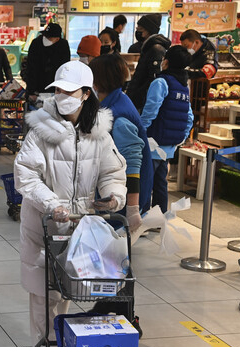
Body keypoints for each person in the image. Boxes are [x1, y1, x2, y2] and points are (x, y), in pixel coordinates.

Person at [15, 60, 127, 347]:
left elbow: (112, 172)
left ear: (85, 94)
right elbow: (25, 176)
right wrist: (52, 204)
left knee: (63, 297)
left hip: (79, 231)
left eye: (69, 91)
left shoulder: (99, 133)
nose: (62, 96)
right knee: (42, 299)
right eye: (58, 90)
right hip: (42, 228)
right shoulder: (41, 130)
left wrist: (113, 197)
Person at [90, 53, 154, 229]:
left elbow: (133, 162)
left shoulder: (119, 115)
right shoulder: (114, 102)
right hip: (114, 193)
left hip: (122, 197)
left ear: (98, 80)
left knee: (113, 248)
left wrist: (132, 209)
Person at [140, 46, 193, 213]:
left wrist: (140, 131)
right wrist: (180, 138)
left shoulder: (161, 82)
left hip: (153, 142)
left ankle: (142, 217)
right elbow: (189, 117)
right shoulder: (184, 86)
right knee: (161, 183)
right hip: (169, 145)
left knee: (146, 182)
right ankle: (159, 218)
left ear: (166, 61)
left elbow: (150, 111)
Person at [126, 14, 171, 112]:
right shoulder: (147, 47)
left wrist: (138, 93)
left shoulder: (156, 49)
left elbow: (154, 78)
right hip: (138, 100)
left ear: (148, 30)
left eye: (140, 28)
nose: (137, 30)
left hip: (143, 102)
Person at [25, 23, 70, 101]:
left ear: (57, 39)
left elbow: (64, 69)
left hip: (54, 89)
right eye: (45, 36)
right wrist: (31, 91)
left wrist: (61, 91)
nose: (46, 39)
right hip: (37, 89)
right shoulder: (36, 43)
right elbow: (31, 68)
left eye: (49, 38)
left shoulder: (63, 46)